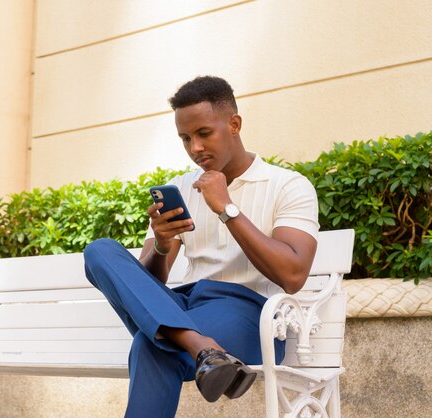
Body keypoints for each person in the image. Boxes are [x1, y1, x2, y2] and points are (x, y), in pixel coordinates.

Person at [83, 76, 319, 417]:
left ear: (234, 125)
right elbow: (151, 283)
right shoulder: (182, 187)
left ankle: (196, 345)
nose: (195, 148)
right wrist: (162, 244)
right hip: (188, 305)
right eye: (185, 138)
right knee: (100, 251)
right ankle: (202, 347)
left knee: (150, 346)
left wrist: (226, 208)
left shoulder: (287, 186)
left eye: (204, 133)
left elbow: (293, 274)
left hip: (254, 315)